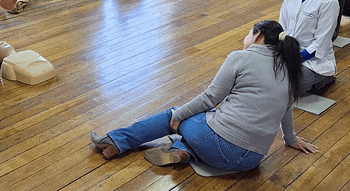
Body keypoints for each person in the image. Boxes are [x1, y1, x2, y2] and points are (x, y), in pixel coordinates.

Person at [90, 20, 318, 170]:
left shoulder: (241, 57)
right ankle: (182, 151)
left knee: (175, 115)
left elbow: (210, 98)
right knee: (206, 118)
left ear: (257, 36)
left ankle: (116, 141)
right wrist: (291, 139)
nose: (245, 38)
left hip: (220, 146)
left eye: (248, 34)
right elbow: (286, 110)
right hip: (251, 161)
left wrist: (177, 116)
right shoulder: (290, 68)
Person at [280, 0, 339, 95]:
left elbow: (321, 43)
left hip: (313, 62)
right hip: (289, 54)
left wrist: (294, 60)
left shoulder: (329, 1)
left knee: (284, 88)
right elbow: (282, 25)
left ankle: (323, 79)